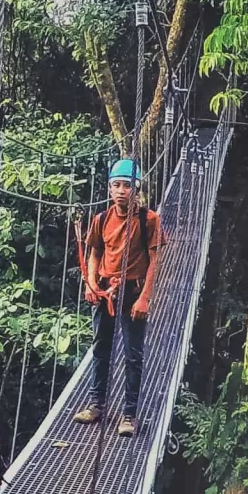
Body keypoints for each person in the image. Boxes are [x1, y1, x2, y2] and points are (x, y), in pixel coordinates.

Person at [73, 159, 165, 436]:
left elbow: (154, 259)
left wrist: (145, 298)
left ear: (136, 189)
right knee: (100, 348)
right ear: (110, 188)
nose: (121, 190)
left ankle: (129, 414)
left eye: (127, 185)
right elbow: (94, 253)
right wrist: (90, 283)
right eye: (116, 185)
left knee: (132, 354)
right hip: (104, 291)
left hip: (132, 292)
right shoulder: (101, 219)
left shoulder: (148, 219)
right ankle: (96, 404)